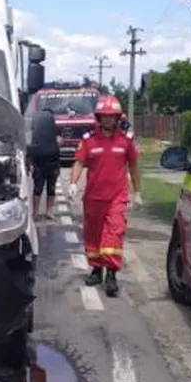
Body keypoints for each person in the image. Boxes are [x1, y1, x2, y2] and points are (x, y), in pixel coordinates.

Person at [67, 95, 142, 297]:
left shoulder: (126, 141)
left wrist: (138, 192)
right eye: (105, 116)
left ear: (118, 117)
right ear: (99, 117)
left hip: (117, 197)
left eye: (112, 116)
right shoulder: (89, 141)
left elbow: (134, 166)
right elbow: (79, 162)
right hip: (93, 198)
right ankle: (97, 269)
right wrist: (73, 182)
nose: (108, 120)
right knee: (93, 236)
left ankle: (111, 275)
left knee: (113, 234)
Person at [27, 107, 63, 220]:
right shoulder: (56, 128)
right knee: (51, 188)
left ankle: (35, 212)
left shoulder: (34, 128)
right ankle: (49, 211)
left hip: (38, 162)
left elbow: (29, 145)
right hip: (53, 161)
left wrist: (28, 162)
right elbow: (60, 142)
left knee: (38, 188)